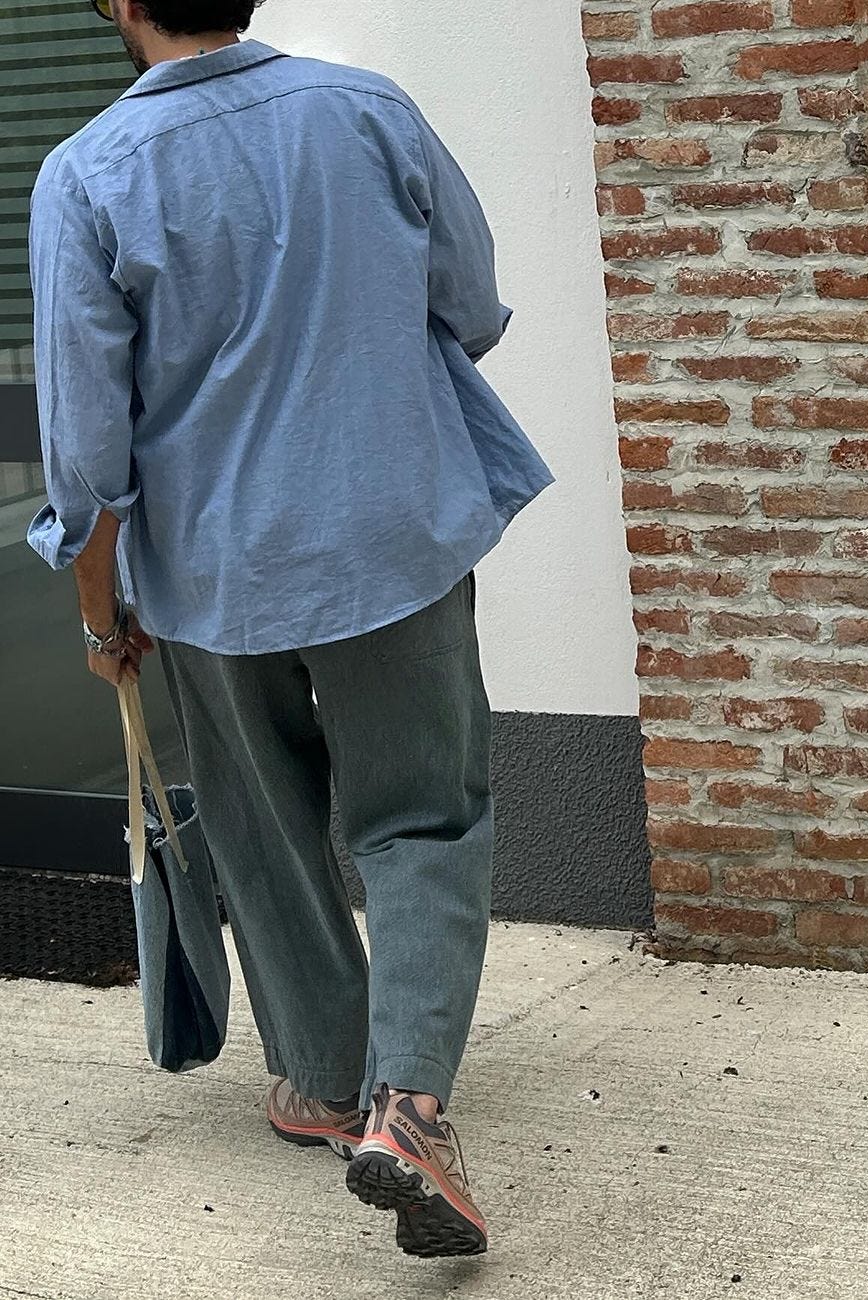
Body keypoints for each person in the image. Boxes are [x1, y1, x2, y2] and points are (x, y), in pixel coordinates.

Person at [27, 0, 552, 1260]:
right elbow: (471, 304)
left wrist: (101, 612)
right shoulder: (370, 112)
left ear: (120, 4)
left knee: (264, 832)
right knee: (424, 816)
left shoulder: (87, 172)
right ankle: (410, 1104)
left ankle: (324, 1083)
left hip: (215, 574)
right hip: (393, 537)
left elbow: (86, 452)